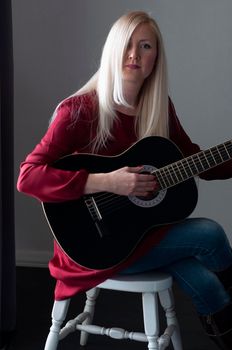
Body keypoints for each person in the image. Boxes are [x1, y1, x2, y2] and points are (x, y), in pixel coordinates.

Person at [17, 11, 232, 349]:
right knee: (209, 233)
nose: (134, 54)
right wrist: (107, 182)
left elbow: (197, 160)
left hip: (136, 236)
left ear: (155, 58)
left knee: (206, 283)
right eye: (128, 45)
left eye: (145, 46)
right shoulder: (79, 111)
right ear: (113, 50)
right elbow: (29, 177)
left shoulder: (160, 108)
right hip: (93, 249)